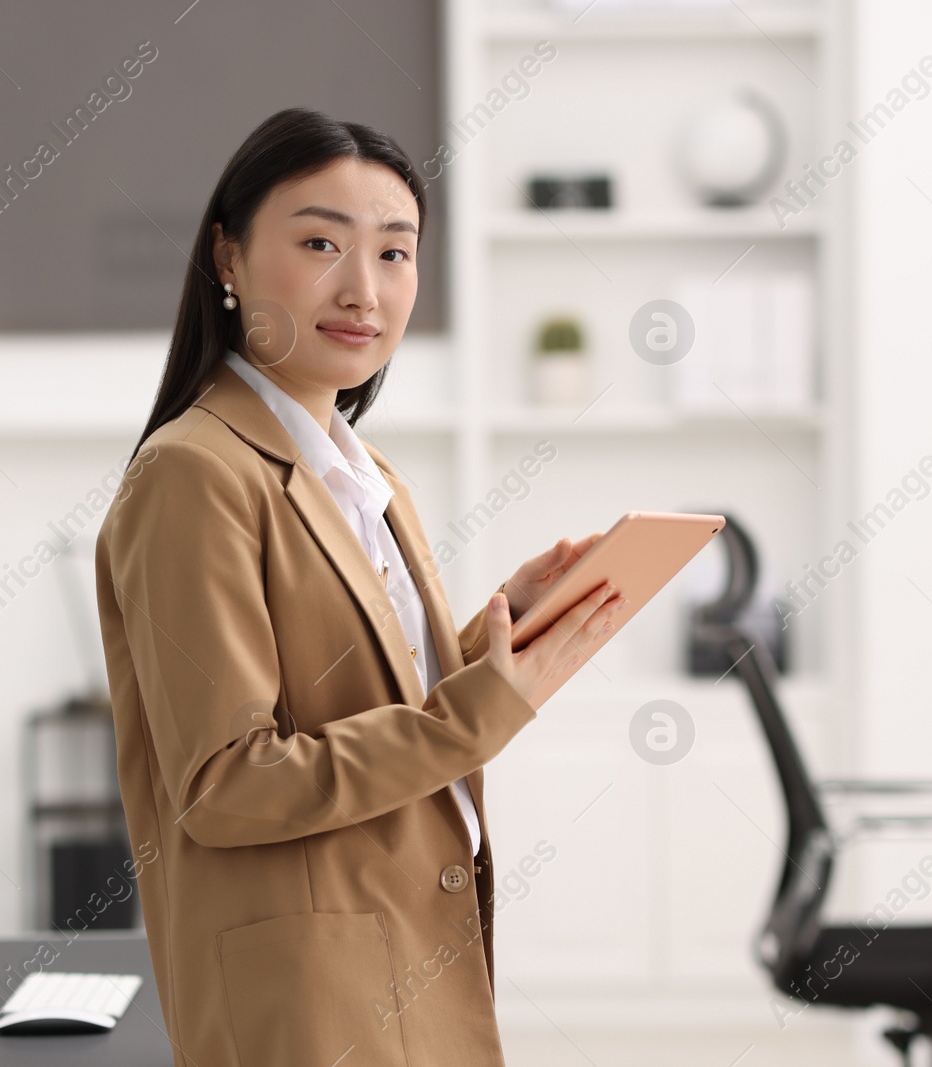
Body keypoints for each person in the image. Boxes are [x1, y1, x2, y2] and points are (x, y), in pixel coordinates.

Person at [95, 106, 628, 1067]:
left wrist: (486, 640)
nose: (363, 289)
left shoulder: (364, 473)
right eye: (318, 243)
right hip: (307, 1008)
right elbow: (226, 784)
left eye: (394, 253)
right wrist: (483, 709)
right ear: (228, 257)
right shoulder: (193, 475)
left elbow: (366, 704)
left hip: (403, 966)